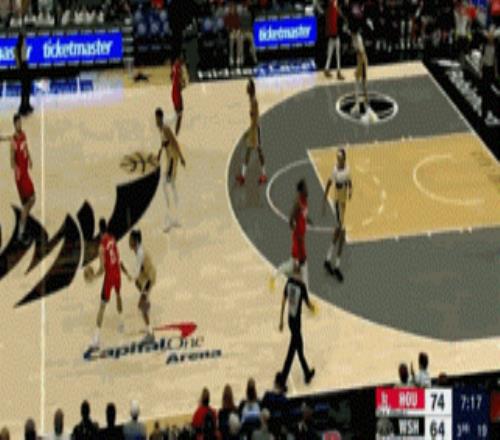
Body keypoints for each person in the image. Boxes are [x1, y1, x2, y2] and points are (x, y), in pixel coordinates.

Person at [88, 218, 124, 349]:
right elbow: (117, 256)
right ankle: (121, 323)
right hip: (117, 272)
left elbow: (102, 269)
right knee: (118, 295)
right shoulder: (113, 239)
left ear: (99, 230)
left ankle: (96, 339)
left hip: (109, 277)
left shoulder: (101, 247)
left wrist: (94, 277)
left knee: (102, 306)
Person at [270, 179, 311, 291]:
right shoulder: (298, 203)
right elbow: (291, 218)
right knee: (300, 266)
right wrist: (295, 231)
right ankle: (306, 293)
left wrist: (308, 220)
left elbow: (304, 215)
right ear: (301, 190)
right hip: (298, 239)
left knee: (295, 266)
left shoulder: (305, 201)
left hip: (301, 238)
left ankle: (274, 275)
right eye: (305, 188)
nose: (307, 189)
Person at [279, 264, 315, 386]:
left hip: (290, 320)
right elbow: (308, 304)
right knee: (293, 350)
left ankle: (307, 373)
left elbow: (283, 300)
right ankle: (283, 379)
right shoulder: (301, 286)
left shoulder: (289, 282)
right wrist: (314, 308)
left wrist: (281, 320)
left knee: (298, 348)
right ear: (299, 274)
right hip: (297, 323)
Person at [121, 230, 157, 343]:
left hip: (148, 279)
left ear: (135, 241)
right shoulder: (138, 251)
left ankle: (150, 334)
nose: (129, 242)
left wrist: (125, 271)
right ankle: (146, 305)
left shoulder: (140, 253)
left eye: (130, 239)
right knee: (138, 286)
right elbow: (137, 273)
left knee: (141, 305)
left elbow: (134, 274)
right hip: (145, 276)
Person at [322, 148, 352, 282]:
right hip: (338, 204)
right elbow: (329, 183)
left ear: (344, 159)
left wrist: (350, 190)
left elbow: (349, 181)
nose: (338, 160)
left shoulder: (347, 170)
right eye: (337, 158)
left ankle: (328, 259)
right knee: (342, 234)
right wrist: (324, 198)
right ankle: (337, 266)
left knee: (337, 233)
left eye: (340, 158)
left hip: (343, 204)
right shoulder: (335, 171)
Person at [156, 107, 186, 232]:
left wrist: (182, 158)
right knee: (172, 187)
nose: (156, 121)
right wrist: (159, 154)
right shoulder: (160, 129)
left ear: (160, 118)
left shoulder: (166, 129)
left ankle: (169, 220)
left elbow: (174, 142)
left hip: (173, 159)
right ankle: (176, 217)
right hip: (169, 159)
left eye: (157, 118)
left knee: (165, 186)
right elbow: (163, 143)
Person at [236, 79, 267, 185]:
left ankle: (264, 174)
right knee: (249, 151)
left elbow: (255, 119)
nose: (246, 88)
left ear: (251, 89)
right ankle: (243, 176)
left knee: (259, 151)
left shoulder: (254, 102)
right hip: (253, 129)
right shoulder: (251, 100)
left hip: (255, 130)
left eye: (248, 87)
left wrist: (250, 132)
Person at [11, 113, 36, 245]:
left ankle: (22, 224)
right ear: (14, 124)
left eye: (20, 122)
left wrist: (30, 159)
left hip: (25, 173)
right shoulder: (13, 142)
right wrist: (17, 171)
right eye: (17, 123)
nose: (20, 124)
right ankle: (21, 232)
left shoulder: (23, 135)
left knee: (26, 203)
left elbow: (26, 148)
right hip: (21, 177)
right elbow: (12, 162)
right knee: (31, 199)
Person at [315, 0, 344, 79]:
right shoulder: (331, 4)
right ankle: (338, 72)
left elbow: (336, 15)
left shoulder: (333, 4)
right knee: (337, 52)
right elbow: (332, 18)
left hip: (332, 30)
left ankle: (327, 69)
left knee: (330, 51)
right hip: (333, 30)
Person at [15, 30, 33, 116]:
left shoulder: (17, 47)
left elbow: (18, 60)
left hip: (23, 68)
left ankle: (26, 105)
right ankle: (23, 107)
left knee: (26, 88)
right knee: (25, 88)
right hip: (23, 68)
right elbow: (21, 59)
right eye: (24, 37)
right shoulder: (21, 46)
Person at [171, 55, 186, 136]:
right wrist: (183, 84)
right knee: (179, 115)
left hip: (174, 92)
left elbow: (172, 78)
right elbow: (181, 83)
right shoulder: (178, 68)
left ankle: (175, 133)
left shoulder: (174, 67)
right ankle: (175, 134)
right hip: (177, 94)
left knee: (178, 115)